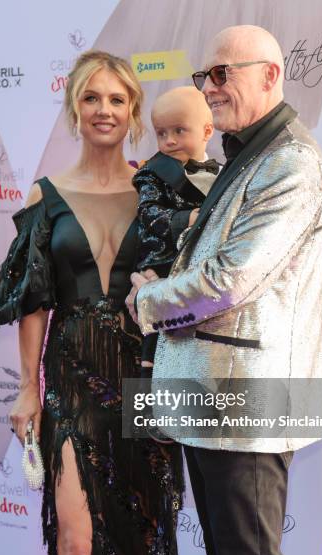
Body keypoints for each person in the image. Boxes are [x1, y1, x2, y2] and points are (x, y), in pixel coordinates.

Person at [127, 25, 322, 555]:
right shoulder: (251, 156)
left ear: (270, 75)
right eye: (204, 76)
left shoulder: (290, 162)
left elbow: (228, 281)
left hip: (245, 404)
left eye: (222, 74)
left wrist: (148, 300)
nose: (209, 88)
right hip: (213, 400)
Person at [0, 50, 184, 555]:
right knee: (76, 544)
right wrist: (29, 387)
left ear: (134, 112)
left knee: (144, 544)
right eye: (91, 98)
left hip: (146, 379)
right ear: (75, 108)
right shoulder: (44, 198)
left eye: (117, 100)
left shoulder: (158, 194)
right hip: (73, 378)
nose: (104, 110)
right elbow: (33, 303)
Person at [132, 86, 219, 376]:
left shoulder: (225, 173)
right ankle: (149, 370)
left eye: (179, 131)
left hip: (204, 271)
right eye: (161, 133)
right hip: (164, 259)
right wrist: (185, 218)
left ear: (207, 131)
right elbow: (148, 212)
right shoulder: (152, 173)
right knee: (157, 319)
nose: (169, 141)